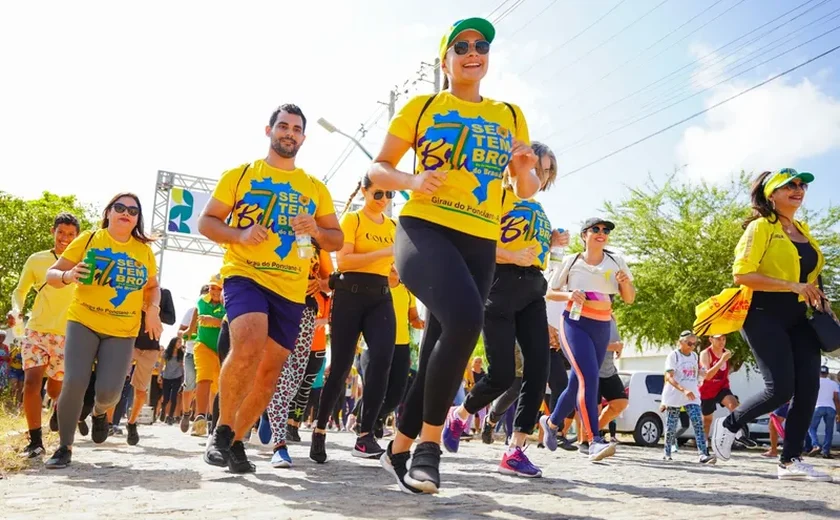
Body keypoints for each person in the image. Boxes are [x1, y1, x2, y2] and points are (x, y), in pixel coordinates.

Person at [370, 16, 540, 494]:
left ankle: (397, 451)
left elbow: (524, 189)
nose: (473, 51)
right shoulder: (423, 106)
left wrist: (525, 169)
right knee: (467, 321)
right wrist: (410, 180)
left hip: (480, 242)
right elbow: (379, 168)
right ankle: (429, 448)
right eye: (461, 45)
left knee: (438, 355)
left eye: (481, 45)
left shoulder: (509, 113)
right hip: (424, 228)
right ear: (445, 60)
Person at [198, 103, 343, 473]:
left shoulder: (315, 189)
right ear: (269, 131)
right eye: (283, 126)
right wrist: (240, 234)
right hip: (245, 273)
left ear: (303, 138)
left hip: (292, 290)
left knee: (269, 374)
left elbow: (336, 239)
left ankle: (234, 441)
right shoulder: (241, 175)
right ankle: (221, 431)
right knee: (247, 342)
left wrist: (315, 231)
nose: (289, 133)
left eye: (296, 128)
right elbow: (207, 223)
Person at [446, 141, 563, 478]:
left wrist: (551, 241)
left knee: (538, 371)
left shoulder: (538, 208)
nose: (544, 175)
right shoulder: (498, 195)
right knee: (500, 376)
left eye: (549, 171)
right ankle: (460, 415)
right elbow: (476, 243)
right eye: (541, 166)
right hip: (499, 287)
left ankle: (515, 450)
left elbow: (530, 246)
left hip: (532, 290)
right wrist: (512, 256)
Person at [710, 168, 830, 481]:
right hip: (762, 313)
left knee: (809, 387)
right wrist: (792, 286)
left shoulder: (802, 229)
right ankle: (730, 423)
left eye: (802, 185)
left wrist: (820, 299)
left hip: (798, 315)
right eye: (789, 185)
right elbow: (742, 275)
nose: (798, 189)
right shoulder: (762, 227)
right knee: (780, 389)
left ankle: (790, 461)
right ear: (771, 194)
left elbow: (810, 272)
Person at [44, 193, 162, 469]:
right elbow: (53, 273)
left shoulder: (143, 251)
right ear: (108, 212)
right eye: (119, 207)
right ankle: (65, 447)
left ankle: (99, 412)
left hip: (122, 329)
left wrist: (153, 309)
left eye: (133, 210)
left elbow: (153, 287)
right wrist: (68, 276)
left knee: (110, 392)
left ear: (137, 219)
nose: (126, 213)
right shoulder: (88, 239)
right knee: (74, 381)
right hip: (83, 320)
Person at [310, 174, 397, 463]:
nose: (384, 200)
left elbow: (394, 272)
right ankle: (320, 429)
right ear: (365, 191)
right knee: (342, 366)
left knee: (384, 360)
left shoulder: (394, 227)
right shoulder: (353, 220)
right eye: (378, 194)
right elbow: (344, 261)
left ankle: (365, 434)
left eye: (389, 195)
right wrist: (384, 252)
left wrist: (398, 272)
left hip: (381, 297)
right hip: (350, 295)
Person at [539, 217, 636, 462]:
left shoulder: (616, 261)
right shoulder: (573, 261)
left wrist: (625, 284)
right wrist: (571, 294)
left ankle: (551, 423)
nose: (601, 233)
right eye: (596, 229)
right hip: (574, 323)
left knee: (576, 383)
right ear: (585, 235)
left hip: (602, 325)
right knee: (589, 377)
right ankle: (594, 440)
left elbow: (629, 299)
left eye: (605, 230)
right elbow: (549, 291)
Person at [12, 213, 81, 457]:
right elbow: (20, 290)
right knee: (31, 383)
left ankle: (56, 408)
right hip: (37, 330)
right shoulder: (37, 259)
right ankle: (35, 442)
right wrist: (16, 309)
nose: (65, 238)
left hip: (67, 334)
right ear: (53, 231)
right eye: (61, 232)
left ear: (77, 237)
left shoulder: (81, 264)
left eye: (71, 234)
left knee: (55, 390)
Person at [264, 242, 332, 468]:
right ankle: (279, 445)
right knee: (282, 378)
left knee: (295, 379)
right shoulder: (276, 233)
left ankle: (268, 407)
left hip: (306, 311)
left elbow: (329, 280)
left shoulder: (318, 246)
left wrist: (318, 284)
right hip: (278, 307)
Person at [124, 286, 175, 445]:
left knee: (140, 391)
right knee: (116, 383)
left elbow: (171, 318)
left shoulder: (164, 293)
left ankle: (132, 423)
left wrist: (151, 310)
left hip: (150, 346)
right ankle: (106, 420)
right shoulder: (131, 288)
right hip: (127, 341)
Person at [661, 331, 716, 464]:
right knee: (671, 425)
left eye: (694, 343)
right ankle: (667, 452)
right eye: (689, 343)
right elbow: (669, 377)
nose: (692, 346)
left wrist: (701, 373)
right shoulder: (674, 356)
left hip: (692, 395)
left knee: (698, 422)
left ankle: (703, 453)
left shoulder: (694, 356)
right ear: (681, 342)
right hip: (675, 394)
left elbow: (695, 373)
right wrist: (683, 390)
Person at [286, 289, 330, 442]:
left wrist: (324, 320)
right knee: (292, 386)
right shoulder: (297, 291)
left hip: (317, 348)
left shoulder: (325, 297)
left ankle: (294, 425)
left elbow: (330, 317)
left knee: (305, 388)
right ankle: (286, 423)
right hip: (296, 346)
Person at [188, 275, 225, 437]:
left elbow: (228, 321)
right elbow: (198, 313)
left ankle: (215, 421)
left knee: (219, 387)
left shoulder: (229, 302)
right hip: (203, 345)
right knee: (203, 378)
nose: (215, 291)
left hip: (222, 349)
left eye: (219, 288)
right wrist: (189, 330)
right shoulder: (203, 300)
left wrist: (216, 321)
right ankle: (200, 417)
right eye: (212, 287)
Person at [177, 285, 209, 433]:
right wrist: (185, 333)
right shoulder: (192, 311)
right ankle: (186, 413)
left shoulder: (218, 310)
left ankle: (201, 419)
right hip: (191, 352)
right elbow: (181, 330)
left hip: (209, 352)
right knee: (189, 384)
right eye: (204, 295)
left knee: (206, 386)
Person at [700, 334, 737, 437]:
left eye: (724, 339)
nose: (722, 342)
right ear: (711, 339)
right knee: (707, 421)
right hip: (707, 390)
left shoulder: (726, 352)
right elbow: (707, 376)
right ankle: (703, 445)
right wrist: (721, 361)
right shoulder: (705, 354)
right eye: (718, 339)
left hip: (722, 387)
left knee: (735, 407)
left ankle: (735, 433)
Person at [807, 366, 839, 458]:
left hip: (817, 407)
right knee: (829, 431)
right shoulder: (833, 383)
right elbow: (836, 399)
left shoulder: (814, 382)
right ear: (827, 373)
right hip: (830, 408)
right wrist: (838, 413)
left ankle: (816, 445)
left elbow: (810, 396)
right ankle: (826, 451)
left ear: (818, 373)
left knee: (812, 428)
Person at [160, 337, 185, 424]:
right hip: (167, 377)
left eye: (180, 342)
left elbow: (182, 366)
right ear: (173, 343)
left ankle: (170, 416)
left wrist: (183, 378)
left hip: (177, 377)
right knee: (166, 398)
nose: (180, 344)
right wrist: (160, 375)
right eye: (178, 342)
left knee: (174, 397)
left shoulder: (181, 353)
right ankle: (163, 410)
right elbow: (161, 364)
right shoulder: (167, 353)